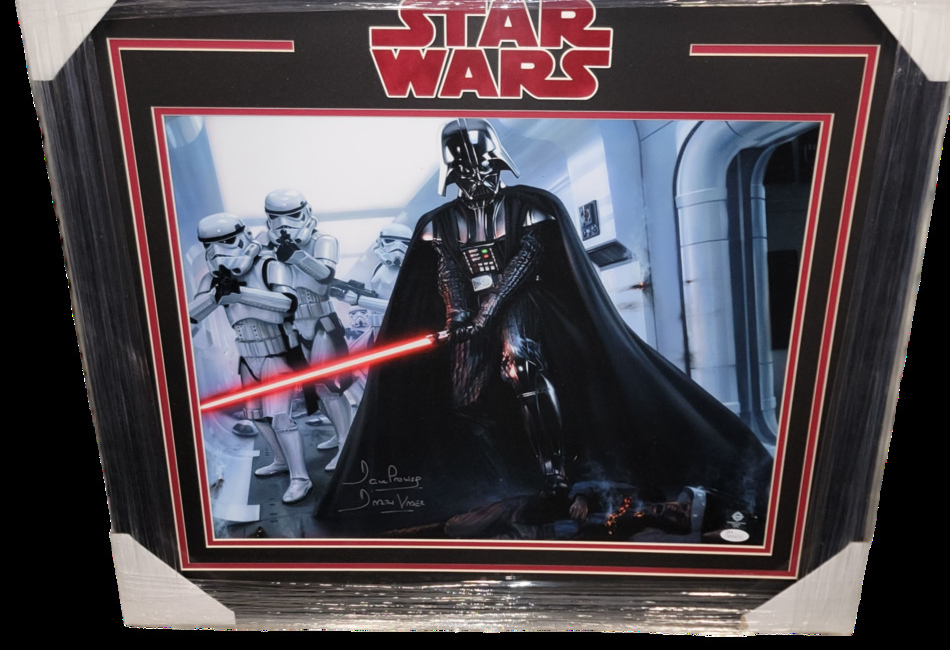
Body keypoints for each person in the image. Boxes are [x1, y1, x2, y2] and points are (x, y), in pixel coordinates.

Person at [318, 119, 771, 537]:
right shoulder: (439, 223)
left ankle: (555, 475)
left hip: (526, 302)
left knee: (522, 366)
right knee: (465, 397)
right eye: (466, 171)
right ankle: (507, 475)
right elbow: (449, 273)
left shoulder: (530, 206)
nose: (477, 178)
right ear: (452, 173)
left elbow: (525, 261)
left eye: (483, 166)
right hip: (473, 312)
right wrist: (458, 315)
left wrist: (487, 312)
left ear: (497, 161)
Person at [188, 213, 312, 504]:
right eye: (210, 245)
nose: (218, 251)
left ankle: (301, 478)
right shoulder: (213, 278)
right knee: (256, 416)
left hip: (276, 354)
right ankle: (281, 460)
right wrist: (215, 296)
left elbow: (287, 304)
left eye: (227, 241)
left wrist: (241, 294)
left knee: (281, 417)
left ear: (244, 236)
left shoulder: (269, 265)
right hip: (247, 357)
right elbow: (191, 316)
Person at [259, 189, 352, 471]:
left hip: (321, 321)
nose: (283, 224)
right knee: (313, 389)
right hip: (292, 324)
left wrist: (297, 257)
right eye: (276, 218)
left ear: (306, 212)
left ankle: (346, 444)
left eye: (292, 216)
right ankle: (341, 435)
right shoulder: (265, 242)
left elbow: (325, 275)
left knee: (329, 386)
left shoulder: (323, 240)